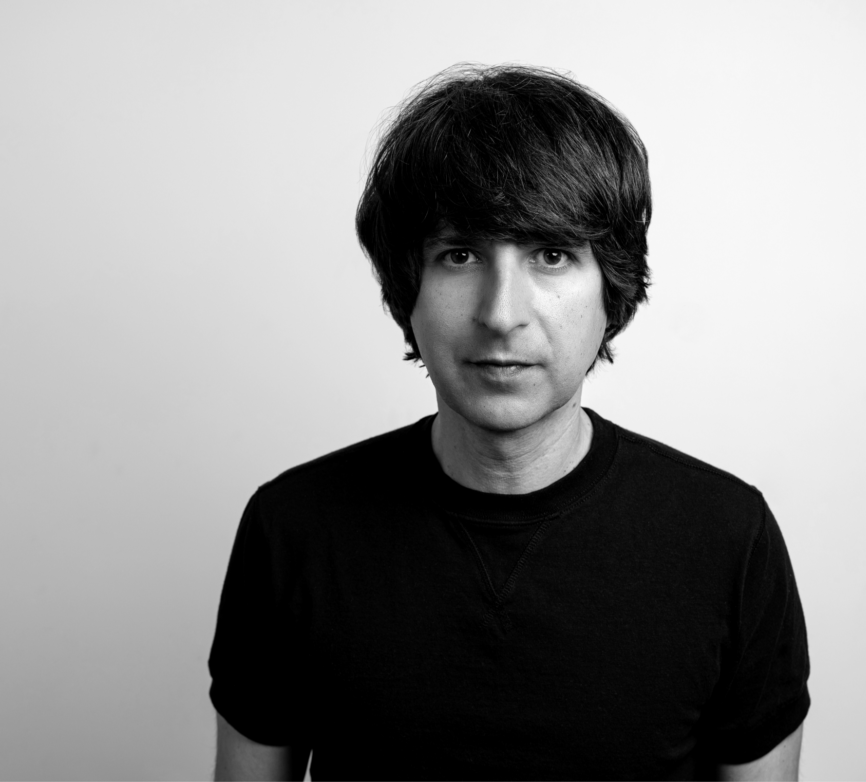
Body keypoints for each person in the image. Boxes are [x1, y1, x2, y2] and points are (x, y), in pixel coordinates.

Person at [208, 64, 810, 782]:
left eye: (551, 255)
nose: (501, 314)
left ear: (611, 288)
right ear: (407, 288)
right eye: (459, 255)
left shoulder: (727, 538)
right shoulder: (294, 530)